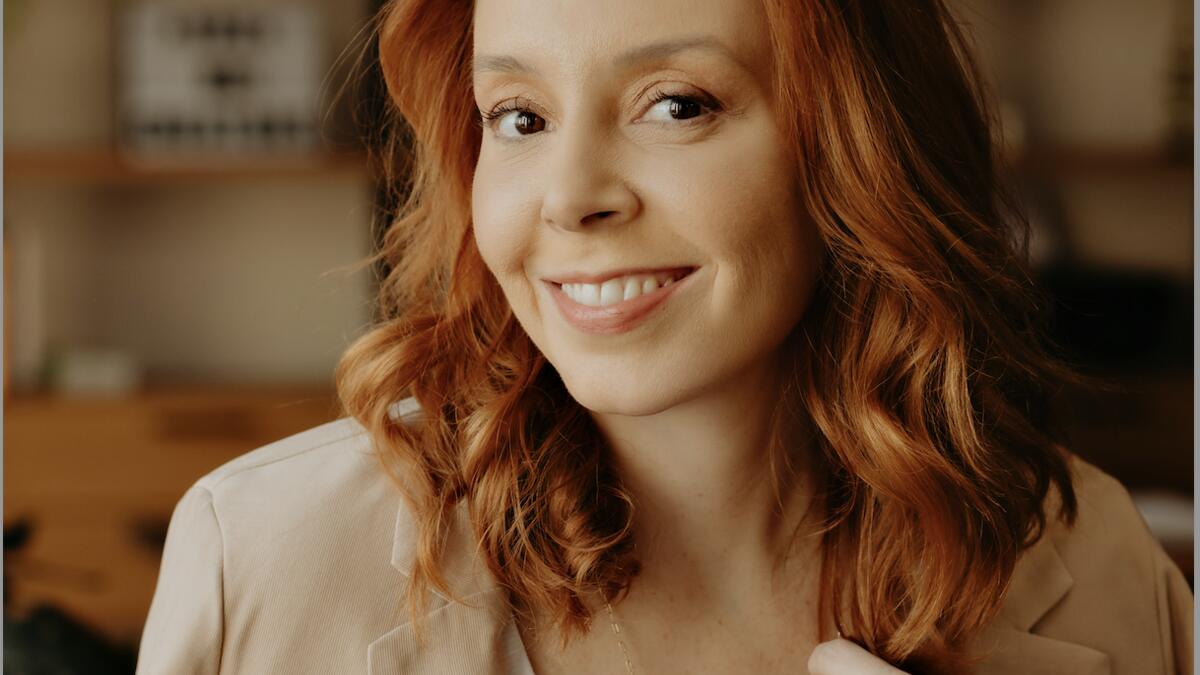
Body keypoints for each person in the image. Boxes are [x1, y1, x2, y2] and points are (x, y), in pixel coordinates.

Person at [135, 0, 1193, 673]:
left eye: (676, 104)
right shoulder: (263, 559)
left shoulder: (1096, 562)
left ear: (862, 147)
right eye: (519, 117)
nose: (569, 198)